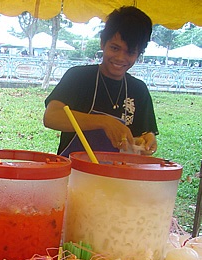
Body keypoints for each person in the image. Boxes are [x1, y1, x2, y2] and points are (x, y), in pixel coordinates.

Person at [43, 6, 158, 157]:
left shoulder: (139, 89)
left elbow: (142, 136)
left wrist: (146, 142)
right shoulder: (78, 77)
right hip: (74, 168)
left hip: (116, 170)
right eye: (115, 48)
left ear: (139, 54)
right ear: (103, 43)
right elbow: (51, 117)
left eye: (130, 52)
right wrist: (104, 122)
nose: (120, 58)